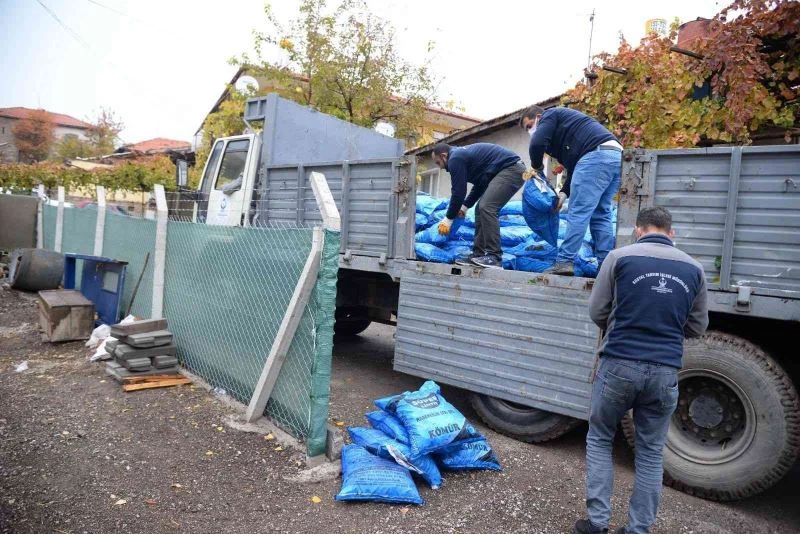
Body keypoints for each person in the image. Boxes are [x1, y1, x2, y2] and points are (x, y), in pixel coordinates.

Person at [574, 206, 709, 534]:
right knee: (649, 452)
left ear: (639, 229)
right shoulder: (695, 269)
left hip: (618, 364)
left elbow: (598, 310)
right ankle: (638, 529)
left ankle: (597, 522)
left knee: (601, 437)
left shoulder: (619, 257)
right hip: (664, 372)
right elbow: (698, 326)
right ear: (671, 232)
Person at [520, 105, 622, 276]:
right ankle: (606, 267)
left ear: (538, 117)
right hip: (617, 157)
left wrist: (536, 168)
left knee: (578, 212)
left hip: (596, 156)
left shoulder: (550, 115)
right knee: (601, 213)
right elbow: (574, 167)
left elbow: (536, 144)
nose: (530, 131)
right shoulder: (568, 133)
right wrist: (563, 193)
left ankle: (565, 261)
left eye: (530, 126)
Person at [431, 142, 526, 268]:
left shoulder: (455, 158)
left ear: (444, 156)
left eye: (438, 163)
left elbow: (458, 192)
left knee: (487, 207)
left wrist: (448, 218)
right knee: (480, 209)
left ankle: (494, 257)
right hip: (506, 170)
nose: (440, 167)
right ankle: (478, 255)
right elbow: (480, 185)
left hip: (512, 169)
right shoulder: (461, 156)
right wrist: (465, 207)